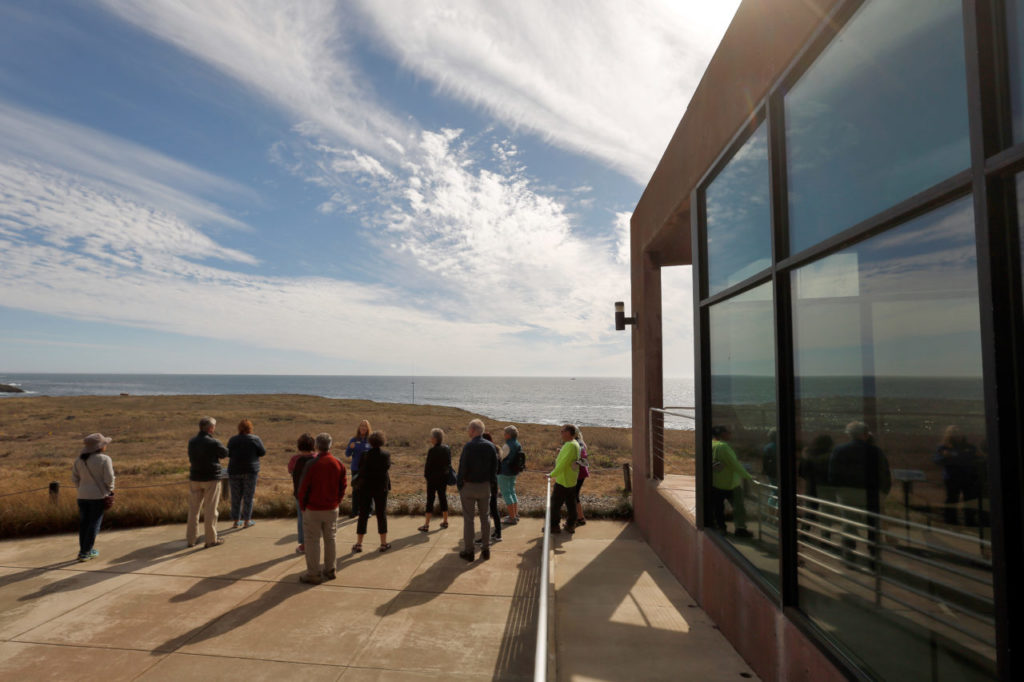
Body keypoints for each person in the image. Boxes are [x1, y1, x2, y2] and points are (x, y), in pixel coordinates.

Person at [829, 421, 892, 559]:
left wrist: (838, 489)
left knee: (848, 523)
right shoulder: (876, 451)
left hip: (847, 493)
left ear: (849, 434)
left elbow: (833, 473)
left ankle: (849, 554)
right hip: (872, 492)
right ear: (865, 434)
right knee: (873, 524)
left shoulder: (840, 450)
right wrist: (884, 492)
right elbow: (884, 473)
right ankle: (874, 555)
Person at [296, 432, 347, 584]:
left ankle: (313, 573)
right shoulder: (338, 463)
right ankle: (330, 570)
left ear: (317, 446)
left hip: (313, 509)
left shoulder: (311, 464)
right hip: (331, 508)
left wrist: (303, 506)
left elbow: (303, 488)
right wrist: (337, 501)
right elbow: (343, 486)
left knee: (312, 541)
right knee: (330, 539)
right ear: (330, 446)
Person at [457, 418, 498, 561]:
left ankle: (469, 551)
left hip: (469, 487)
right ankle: (486, 549)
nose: (468, 431)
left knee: (469, 520)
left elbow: (462, 468)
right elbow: (495, 469)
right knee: (485, 518)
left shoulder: (468, 447)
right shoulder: (491, 446)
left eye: (469, 429)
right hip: (485, 486)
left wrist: (460, 485)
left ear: (474, 430)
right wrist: (492, 486)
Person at [71, 433, 115, 562]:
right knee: (94, 524)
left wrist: (82, 489)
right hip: (98, 496)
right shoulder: (105, 459)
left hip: (82, 496)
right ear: (100, 446)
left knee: (84, 524)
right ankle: (86, 552)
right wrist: (110, 489)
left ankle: (83, 550)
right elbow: (109, 478)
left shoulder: (79, 459)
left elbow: (74, 478)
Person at [187, 416, 228, 548]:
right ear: (210, 428)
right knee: (210, 510)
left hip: (195, 478)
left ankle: (191, 539)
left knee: (193, 510)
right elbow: (225, 453)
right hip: (211, 479)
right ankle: (210, 539)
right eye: (214, 426)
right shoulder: (214, 442)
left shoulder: (192, 441)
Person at [933, 425, 982, 526]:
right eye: (955, 434)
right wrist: (948, 457)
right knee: (952, 499)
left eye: (959, 433)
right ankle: (951, 521)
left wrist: (953, 456)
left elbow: (975, 458)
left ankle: (970, 521)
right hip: (952, 478)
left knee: (969, 499)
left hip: (968, 477)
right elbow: (937, 460)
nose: (958, 436)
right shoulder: (944, 448)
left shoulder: (969, 447)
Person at [710, 425, 753, 538]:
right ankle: (740, 529)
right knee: (739, 508)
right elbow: (734, 465)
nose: (731, 434)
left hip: (715, 483)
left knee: (718, 508)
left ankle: (721, 528)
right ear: (722, 434)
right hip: (731, 484)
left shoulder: (711, 444)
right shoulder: (723, 447)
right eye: (729, 432)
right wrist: (748, 476)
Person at [353, 431, 392, 553]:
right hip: (381, 488)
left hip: (365, 488)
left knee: (363, 515)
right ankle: (383, 543)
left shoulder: (365, 455)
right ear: (382, 441)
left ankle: (359, 544)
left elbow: (360, 469)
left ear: (370, 442)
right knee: (381, 514)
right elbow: (387, 468)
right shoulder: (386, 454)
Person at [227, 419, 266, 529]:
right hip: (250, 471)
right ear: (250, 428)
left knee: (236, 497)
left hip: (234, 471)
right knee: (248, 496)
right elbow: (262, 452)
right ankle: (247, 520)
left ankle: (236, 521)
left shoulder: (233, 440)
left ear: (239, 428)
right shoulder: (255, 439)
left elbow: (228, 453)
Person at [548, 424, 580, 534]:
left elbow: (563, 464)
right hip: (571, 480)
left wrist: (551, 474)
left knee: (555, 504)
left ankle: (554, 526)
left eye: (562, 431)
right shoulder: (574, 444)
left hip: (563, 480)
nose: (561, 433)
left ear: (568, 433)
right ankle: (570, 525)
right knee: (571, 503)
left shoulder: (570, 445)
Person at [288, 433, 317, 554]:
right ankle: (314, 543)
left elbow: (290, 470)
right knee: (315, 520)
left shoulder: (295, 459)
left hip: (299, 494)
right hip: (315, 494)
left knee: (302, 519)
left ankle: (304, 544)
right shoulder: (316, 458)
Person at [419, 428, 451, 532]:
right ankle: (445, 521)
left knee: (430, 500)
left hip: (432, 479)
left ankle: (426, 525)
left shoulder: (432, 450)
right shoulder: (446, 449)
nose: (430, 439)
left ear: (435, 439)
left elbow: (427, 467)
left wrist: (427, 477)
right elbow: (448, 463)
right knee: (443, 498)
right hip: (443, 478)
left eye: (431, 437)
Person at [345, 420, 372, 518]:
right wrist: (350, 448)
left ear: (368, 428)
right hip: (356, 469)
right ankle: (355, 511)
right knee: (356, 490)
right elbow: (347, 454)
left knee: (367, 490)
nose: (363, 428)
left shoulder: (371, 440)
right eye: (361, 426)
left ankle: (368, 511)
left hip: (368, 469)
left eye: (365, 426)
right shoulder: (353, 439)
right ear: (359, 428)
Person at [498, 425, 524, 525]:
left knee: (506, 493)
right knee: (512, 492)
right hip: (514, 471)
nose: (504, 435)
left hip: (504, 471)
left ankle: (512, 518)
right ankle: (515, 514)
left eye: (505, 433)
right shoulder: (518, 444)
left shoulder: (506, 445)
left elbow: (501, 457)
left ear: (508, 435)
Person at [480, 432, 503, 545]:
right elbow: (499, 470)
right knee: (494, 509)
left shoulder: (487, 452)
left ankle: (485, 537)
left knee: (485, 511)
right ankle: (498, 533)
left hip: (486, 484)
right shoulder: (496, 451)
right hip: (494, 483)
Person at [573, 428, 589, 527]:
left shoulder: (578, 443)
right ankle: (579, 518)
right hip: (580, 473)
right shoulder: (579, 442)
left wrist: (574, 463)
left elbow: (584, 461)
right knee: (574, 495)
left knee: (574, 496)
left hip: (579, 474)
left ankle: (580, 518)